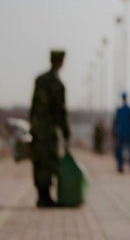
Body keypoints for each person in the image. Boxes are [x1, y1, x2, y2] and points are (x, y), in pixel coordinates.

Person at [29, 49, 70, 208]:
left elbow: (33, 105)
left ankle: (41, 195)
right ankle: (45, 197)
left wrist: (33, 124)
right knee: (47, 161)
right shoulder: (57, 84)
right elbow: (60, 110)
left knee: (38, 160)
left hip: (37, 126)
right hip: (48, 128)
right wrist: (66, 131)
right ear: (60, 62)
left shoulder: (40, 79)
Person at [113, 91, 130, 173]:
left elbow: (115, 122)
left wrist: (114, 132)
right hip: (129, 133)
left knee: (120, 150)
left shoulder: (119, 110)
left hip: (121, 133)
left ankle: (121, 166)